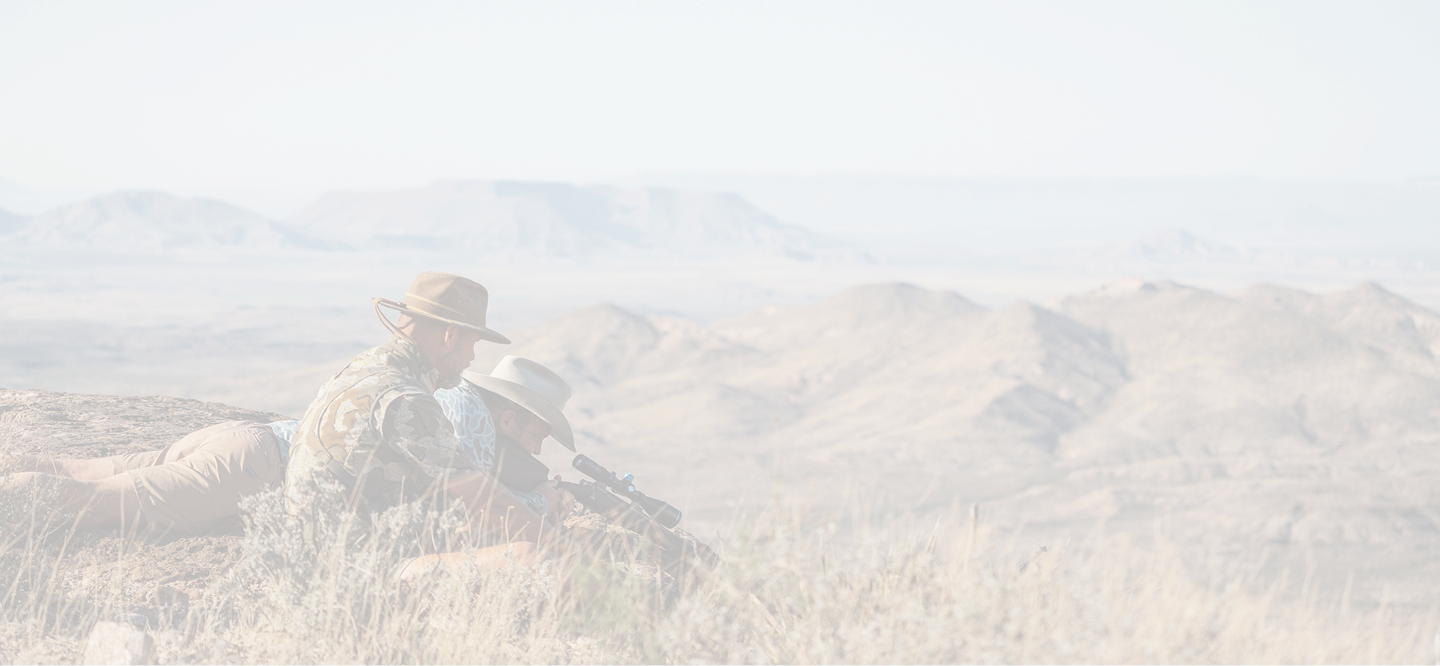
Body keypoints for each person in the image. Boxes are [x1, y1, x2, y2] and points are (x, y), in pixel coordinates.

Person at [284, 271, 569, 570]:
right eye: (473, 343)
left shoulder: (362, 368)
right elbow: (490, 506)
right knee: (534, 561)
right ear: (450, 335)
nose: (472, 357)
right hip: (350, 569)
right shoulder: (404, 399)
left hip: (319, 553)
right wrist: (569, 553)